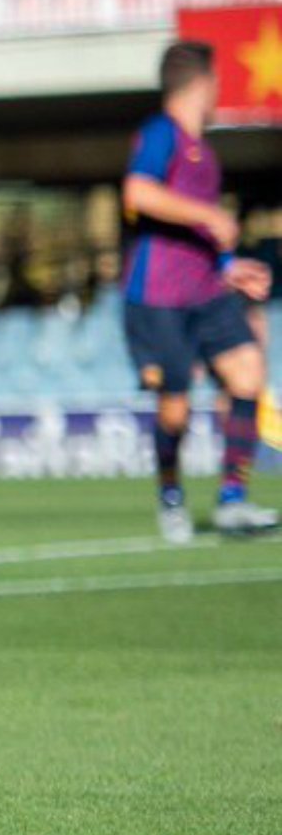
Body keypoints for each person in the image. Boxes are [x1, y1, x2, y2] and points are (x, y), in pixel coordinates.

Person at [120, 39, 277, 544]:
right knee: (175, 411)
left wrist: (229, 265)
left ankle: (233, 500)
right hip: (158, 296)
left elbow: (201, 236)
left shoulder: (204, 154)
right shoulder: (159, 134)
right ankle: (170, 493)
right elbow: (138, 192)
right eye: (215, 83)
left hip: (206, 292)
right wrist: (210, 214)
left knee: (248, 372)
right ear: (202, 84)